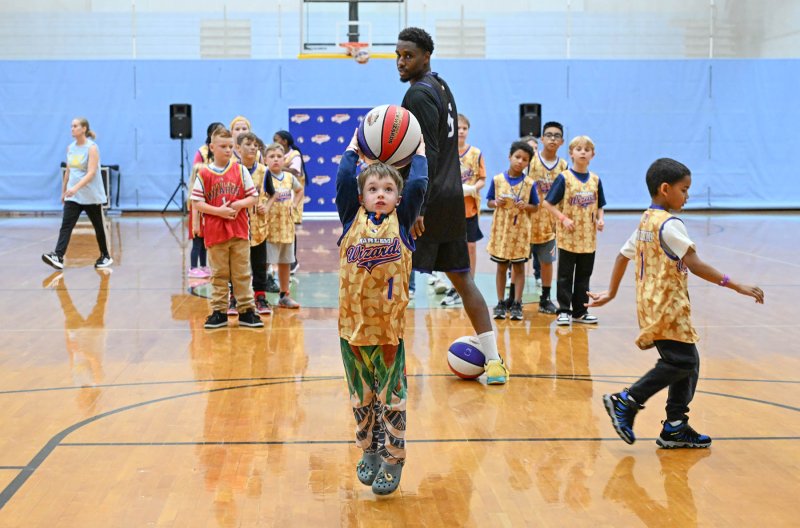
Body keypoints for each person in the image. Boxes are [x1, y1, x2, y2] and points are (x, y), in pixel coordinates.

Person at [587, 158, 764, 448]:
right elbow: (695, 264)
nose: (687, 196)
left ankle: (675, 426)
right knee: (681, 361)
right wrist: (737, 286)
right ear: (665, 189)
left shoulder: (647, 220)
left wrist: (611, 292)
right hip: (667, 307)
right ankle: (627, 401)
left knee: (689, 362)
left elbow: (622, 256)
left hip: (652, 305)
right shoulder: (670, 225)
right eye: (684, 189)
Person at [396, 26, 509, 384]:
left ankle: (388, 364)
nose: (401, 62)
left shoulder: (417, 94)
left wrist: (418, 207)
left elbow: (426, 153)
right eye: (398, 55)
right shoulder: (441, 85)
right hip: (451, 197)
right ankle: (494, 361)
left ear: (426, 56)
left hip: (427, 199)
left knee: (393, 280)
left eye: (408, 55)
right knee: (462, 279)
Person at [336, 130, 427, 495]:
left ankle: (393, 457)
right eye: (372, 189)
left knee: (391, 398)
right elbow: (344, 178)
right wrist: (353, 148)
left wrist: (419, 151)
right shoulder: (350, 218)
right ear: (360, 197)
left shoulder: (402, 222)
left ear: (398, 199)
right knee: (361, 398)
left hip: (388, 334)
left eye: (388, 190)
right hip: (352, 333)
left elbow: (418, 184)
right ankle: (369, 449)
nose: (380, 195)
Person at [191, 127, 262, 329]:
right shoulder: (204, 173)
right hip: (215, 233)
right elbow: (196, 203)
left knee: (242, 273)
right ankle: (219, 312)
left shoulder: (240, 170)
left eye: (230, 146)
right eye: (223, 146)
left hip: (239, 231)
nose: (228, 150)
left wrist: (239, 204)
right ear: (212, 147)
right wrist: (218, 211)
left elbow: (253, 197)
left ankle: (246, 311)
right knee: (219, 274)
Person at [542, 135, 605, 326]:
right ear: (571, 153)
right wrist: (563, 218)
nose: (583, 152)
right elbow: (547, 203)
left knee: (584, 276)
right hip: (568, 238)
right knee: (565, 276)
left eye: (587, 149)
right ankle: (563, 310)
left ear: (593, 154)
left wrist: (601, 219)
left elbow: (600, 205)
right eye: (579, 149)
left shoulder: (595, 179)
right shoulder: (564, 178)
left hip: (588, 239)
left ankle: (580, 312)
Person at [42, 118, 113, 270]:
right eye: (71, 126)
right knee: (66, 225)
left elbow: (91, 173)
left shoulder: (92, 148)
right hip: (74, 197)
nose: (72, 129)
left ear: (84, 129)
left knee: (98, 227)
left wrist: (76, 188)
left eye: (75, 126)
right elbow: (68, 171)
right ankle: (58, 256)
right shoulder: (70, 148)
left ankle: (105, 256)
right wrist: (64, 191)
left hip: (91, 196)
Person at [486, 141, 539, 321]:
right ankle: (500, 302)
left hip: (520, 232)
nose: (520, 161)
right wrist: (496, 202)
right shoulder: (497, 180)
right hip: (501, 231)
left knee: (519, 267)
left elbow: (535, 207)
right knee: (501, 267)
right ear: (510, 157)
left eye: (524, 159)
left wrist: (526, 206)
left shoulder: (530, 183)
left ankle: (517, 302)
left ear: (528, 163)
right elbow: (489, 202)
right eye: (517, 157)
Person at [440, 113, 486, 307]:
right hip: (450, 209)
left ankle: (470, 284)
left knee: (471, 247)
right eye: (458, 128)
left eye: (464, 128)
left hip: (469, 209)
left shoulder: (476, 153)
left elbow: (482, 179)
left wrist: (472, 188)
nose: (461, 131)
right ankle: (454, 286)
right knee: (451, 248)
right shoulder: (445, 152)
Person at [528, 122, 568, 315]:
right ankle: (513, 299)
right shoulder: (530, 161)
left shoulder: (564, 166)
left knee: (547, 262)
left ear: (562, 142)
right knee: (518, 261)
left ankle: (545, 298)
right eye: (549, 135)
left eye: (557, 136)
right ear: (542, 139)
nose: (552, 139)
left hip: (550, 224)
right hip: (528, 220)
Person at [237, 132, 276, 315]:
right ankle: (234, 298)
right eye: (248, 144)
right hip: (238, 224)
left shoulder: (263, 170)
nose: (253, 147)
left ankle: (260, 297)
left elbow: (273, 194)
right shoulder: (233, 170)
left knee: (259, 263)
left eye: (255, 145)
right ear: (238, 148)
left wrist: (266, 206)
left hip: (258, 225)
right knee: (237, 263)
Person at [264, 142, 304, 309]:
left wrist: (294, 204)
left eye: (279, 156)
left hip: (286, 227)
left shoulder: (289, 177)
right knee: (265, 262)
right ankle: (259, 295)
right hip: (268, 227)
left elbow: (300, 190)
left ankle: (284, 295)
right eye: (272, 156)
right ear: (265, 159)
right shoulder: (264, 176)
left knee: (285, 262)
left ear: (284, 160)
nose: (275, 159)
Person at [187, 122, 224, 279]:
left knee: (204, 243)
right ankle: (193, 267)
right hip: (203, 205)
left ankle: (203, 266)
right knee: (197, 243)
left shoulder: (226, 152)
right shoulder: (201, 153)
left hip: (213, 200)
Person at [273, 130, 306, 275]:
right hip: (279, 197)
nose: (274, 142)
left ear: (285, 141)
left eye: (277, 139)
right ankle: (282, 261)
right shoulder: (278, 155)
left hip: (292, 196)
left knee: (290, 228)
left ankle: (293, 262)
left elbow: (294, 171)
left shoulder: (295, 155)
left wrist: (277, 167)